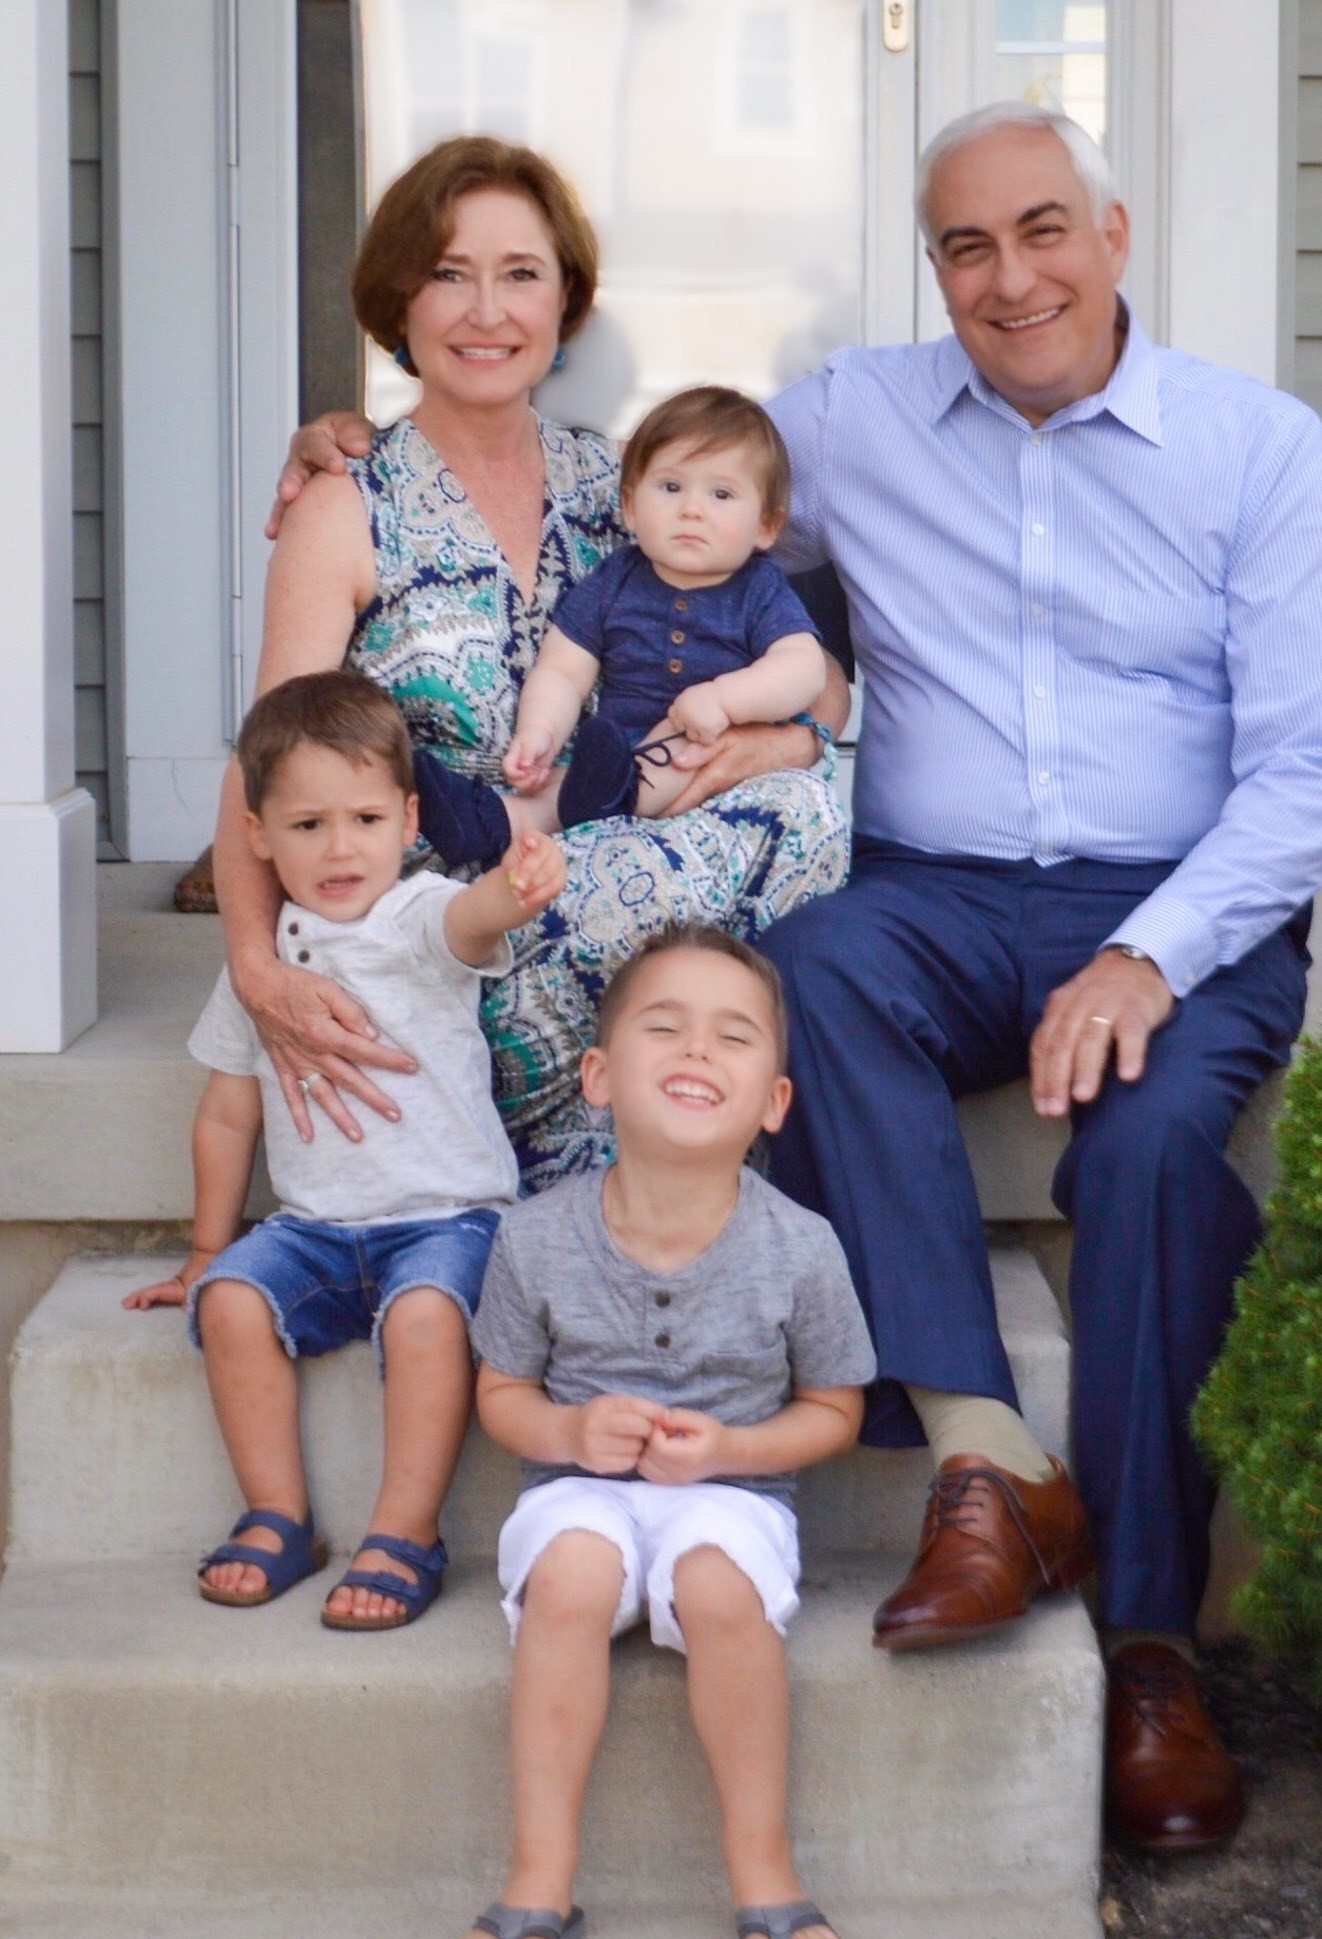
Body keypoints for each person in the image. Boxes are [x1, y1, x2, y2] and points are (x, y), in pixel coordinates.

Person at [754, 104, 1322, 1851]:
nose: (1008, 276)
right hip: (935, 895)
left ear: (1112, 234)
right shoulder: (852, 420)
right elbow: (652, 492)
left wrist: (1147, 950)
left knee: (1155, 1154)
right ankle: (992, 1454)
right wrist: (389, 451)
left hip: (1182, 903)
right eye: (966, 246)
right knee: (810, 965)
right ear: (933, 268)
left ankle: (1151, 1647)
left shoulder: (1254, 448)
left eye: (1042, 230)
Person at [221, 135, 848, 1208]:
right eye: (449, 274)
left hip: (629, 859)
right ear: (399, 304)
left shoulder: (618, 480)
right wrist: (254, 965)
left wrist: (779, 738)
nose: (486, 311)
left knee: (814, 808)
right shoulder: (347, 503)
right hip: (455, 925)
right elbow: (267, 765)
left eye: (521, 275)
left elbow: (816, 686)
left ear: (564, 306)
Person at [440, 926, 874, 1939]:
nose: (697, 1048)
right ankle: (540, 1875)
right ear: (597, 1077)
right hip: (577, 1487)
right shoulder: (535, 1239)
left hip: (732, 1492)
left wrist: (732, 1448)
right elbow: (500, 1394)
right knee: (573, 1576)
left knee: (721, 1589)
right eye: (663, 1025)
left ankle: (762, 1865)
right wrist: (569, 1435)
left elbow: (834, 1409)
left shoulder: (802, 1246)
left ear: (772, 1101)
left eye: (732, 1036)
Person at [125, 673, 567, 1626]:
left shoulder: (412, 915)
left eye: (365, 818)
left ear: (409, 821)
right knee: (234, 1302)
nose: (339, 848)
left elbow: (470, 920)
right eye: (308, 824)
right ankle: (278, 1515)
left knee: (424, 1321)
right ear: (255, 834)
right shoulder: (264, 970)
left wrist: (513, 888)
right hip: (316, 1229)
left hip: (448, 1222)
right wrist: (207, 1252)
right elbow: (227, 1115)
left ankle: (405, 1531)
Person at [413, 384, 827, 857]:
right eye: (671, 487)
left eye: (721, 493)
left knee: (671, 747)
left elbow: (803, 668)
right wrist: (540, 731)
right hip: (611, 762)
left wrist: (725, 700)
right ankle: (489, 820)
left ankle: (600, 800)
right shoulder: (615, 579)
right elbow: (564, 671)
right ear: (630, 506)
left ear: (766, 526)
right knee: (562, 788)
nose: (692, 509)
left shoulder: (759, 589)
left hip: (708, 757)